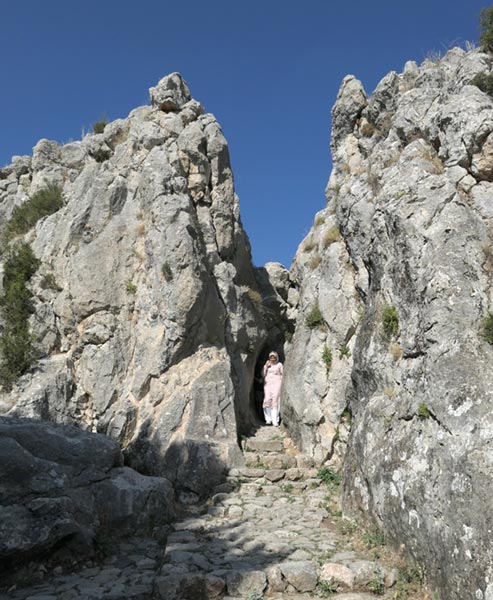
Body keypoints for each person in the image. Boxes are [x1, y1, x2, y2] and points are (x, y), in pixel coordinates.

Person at [262, 351, 283, 426]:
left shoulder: (279, 365)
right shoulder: (267, 364)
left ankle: (275, 420)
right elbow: (263, 374)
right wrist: (266, 366)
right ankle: (268, 419)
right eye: (271, 357)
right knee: (267, 400)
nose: (272, 359)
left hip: (277, 383)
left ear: (276, 358)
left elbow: (282, 374)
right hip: (268, 384)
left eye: (274, 357)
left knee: (275, 401)